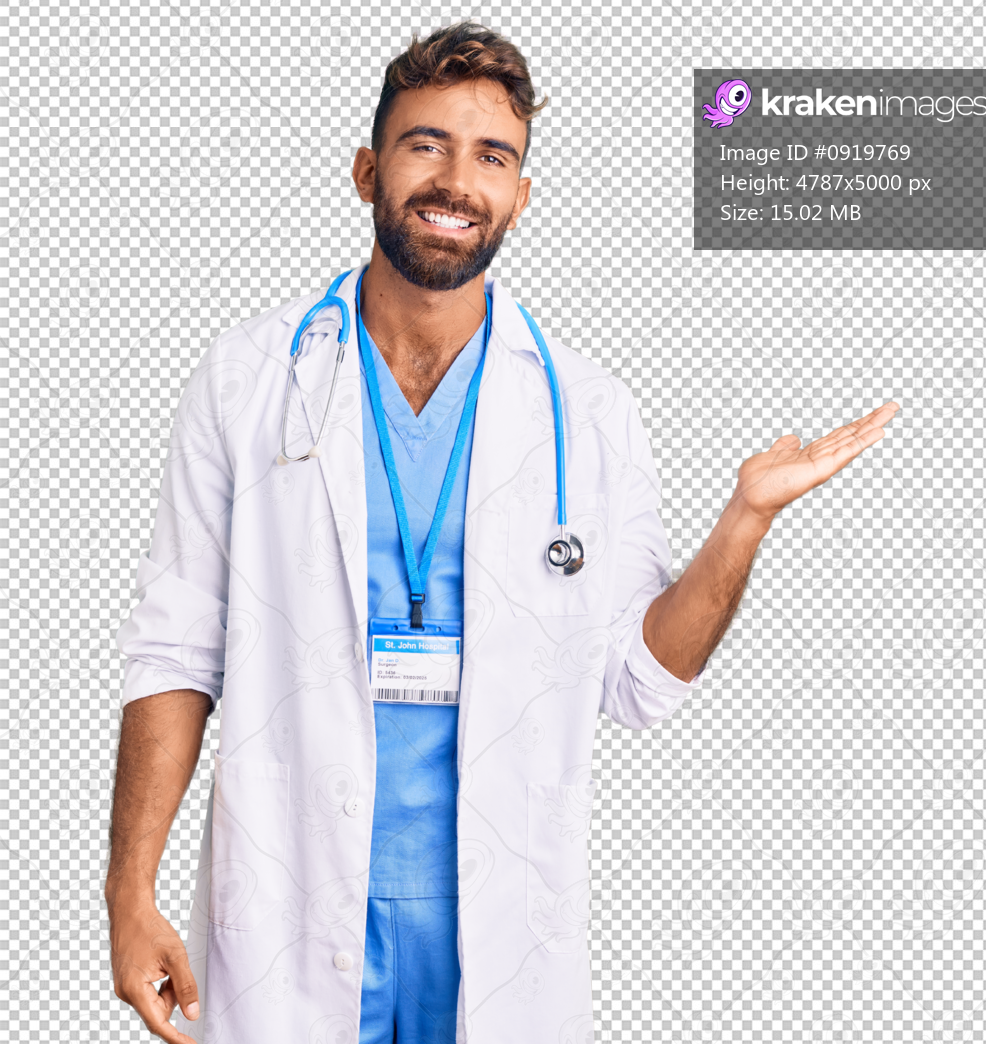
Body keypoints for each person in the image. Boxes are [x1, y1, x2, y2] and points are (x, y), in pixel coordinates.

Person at [105, 20, 899, 1044]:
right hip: (281, 926)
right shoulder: (248, 380)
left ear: (522, 194)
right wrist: (130, 894)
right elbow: (176, 650)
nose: (455, 179)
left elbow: (639, 682)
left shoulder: (588, 411)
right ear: (366, 170)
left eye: (492, 156)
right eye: (425, 143)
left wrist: (742, 523)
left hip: (501, 949)